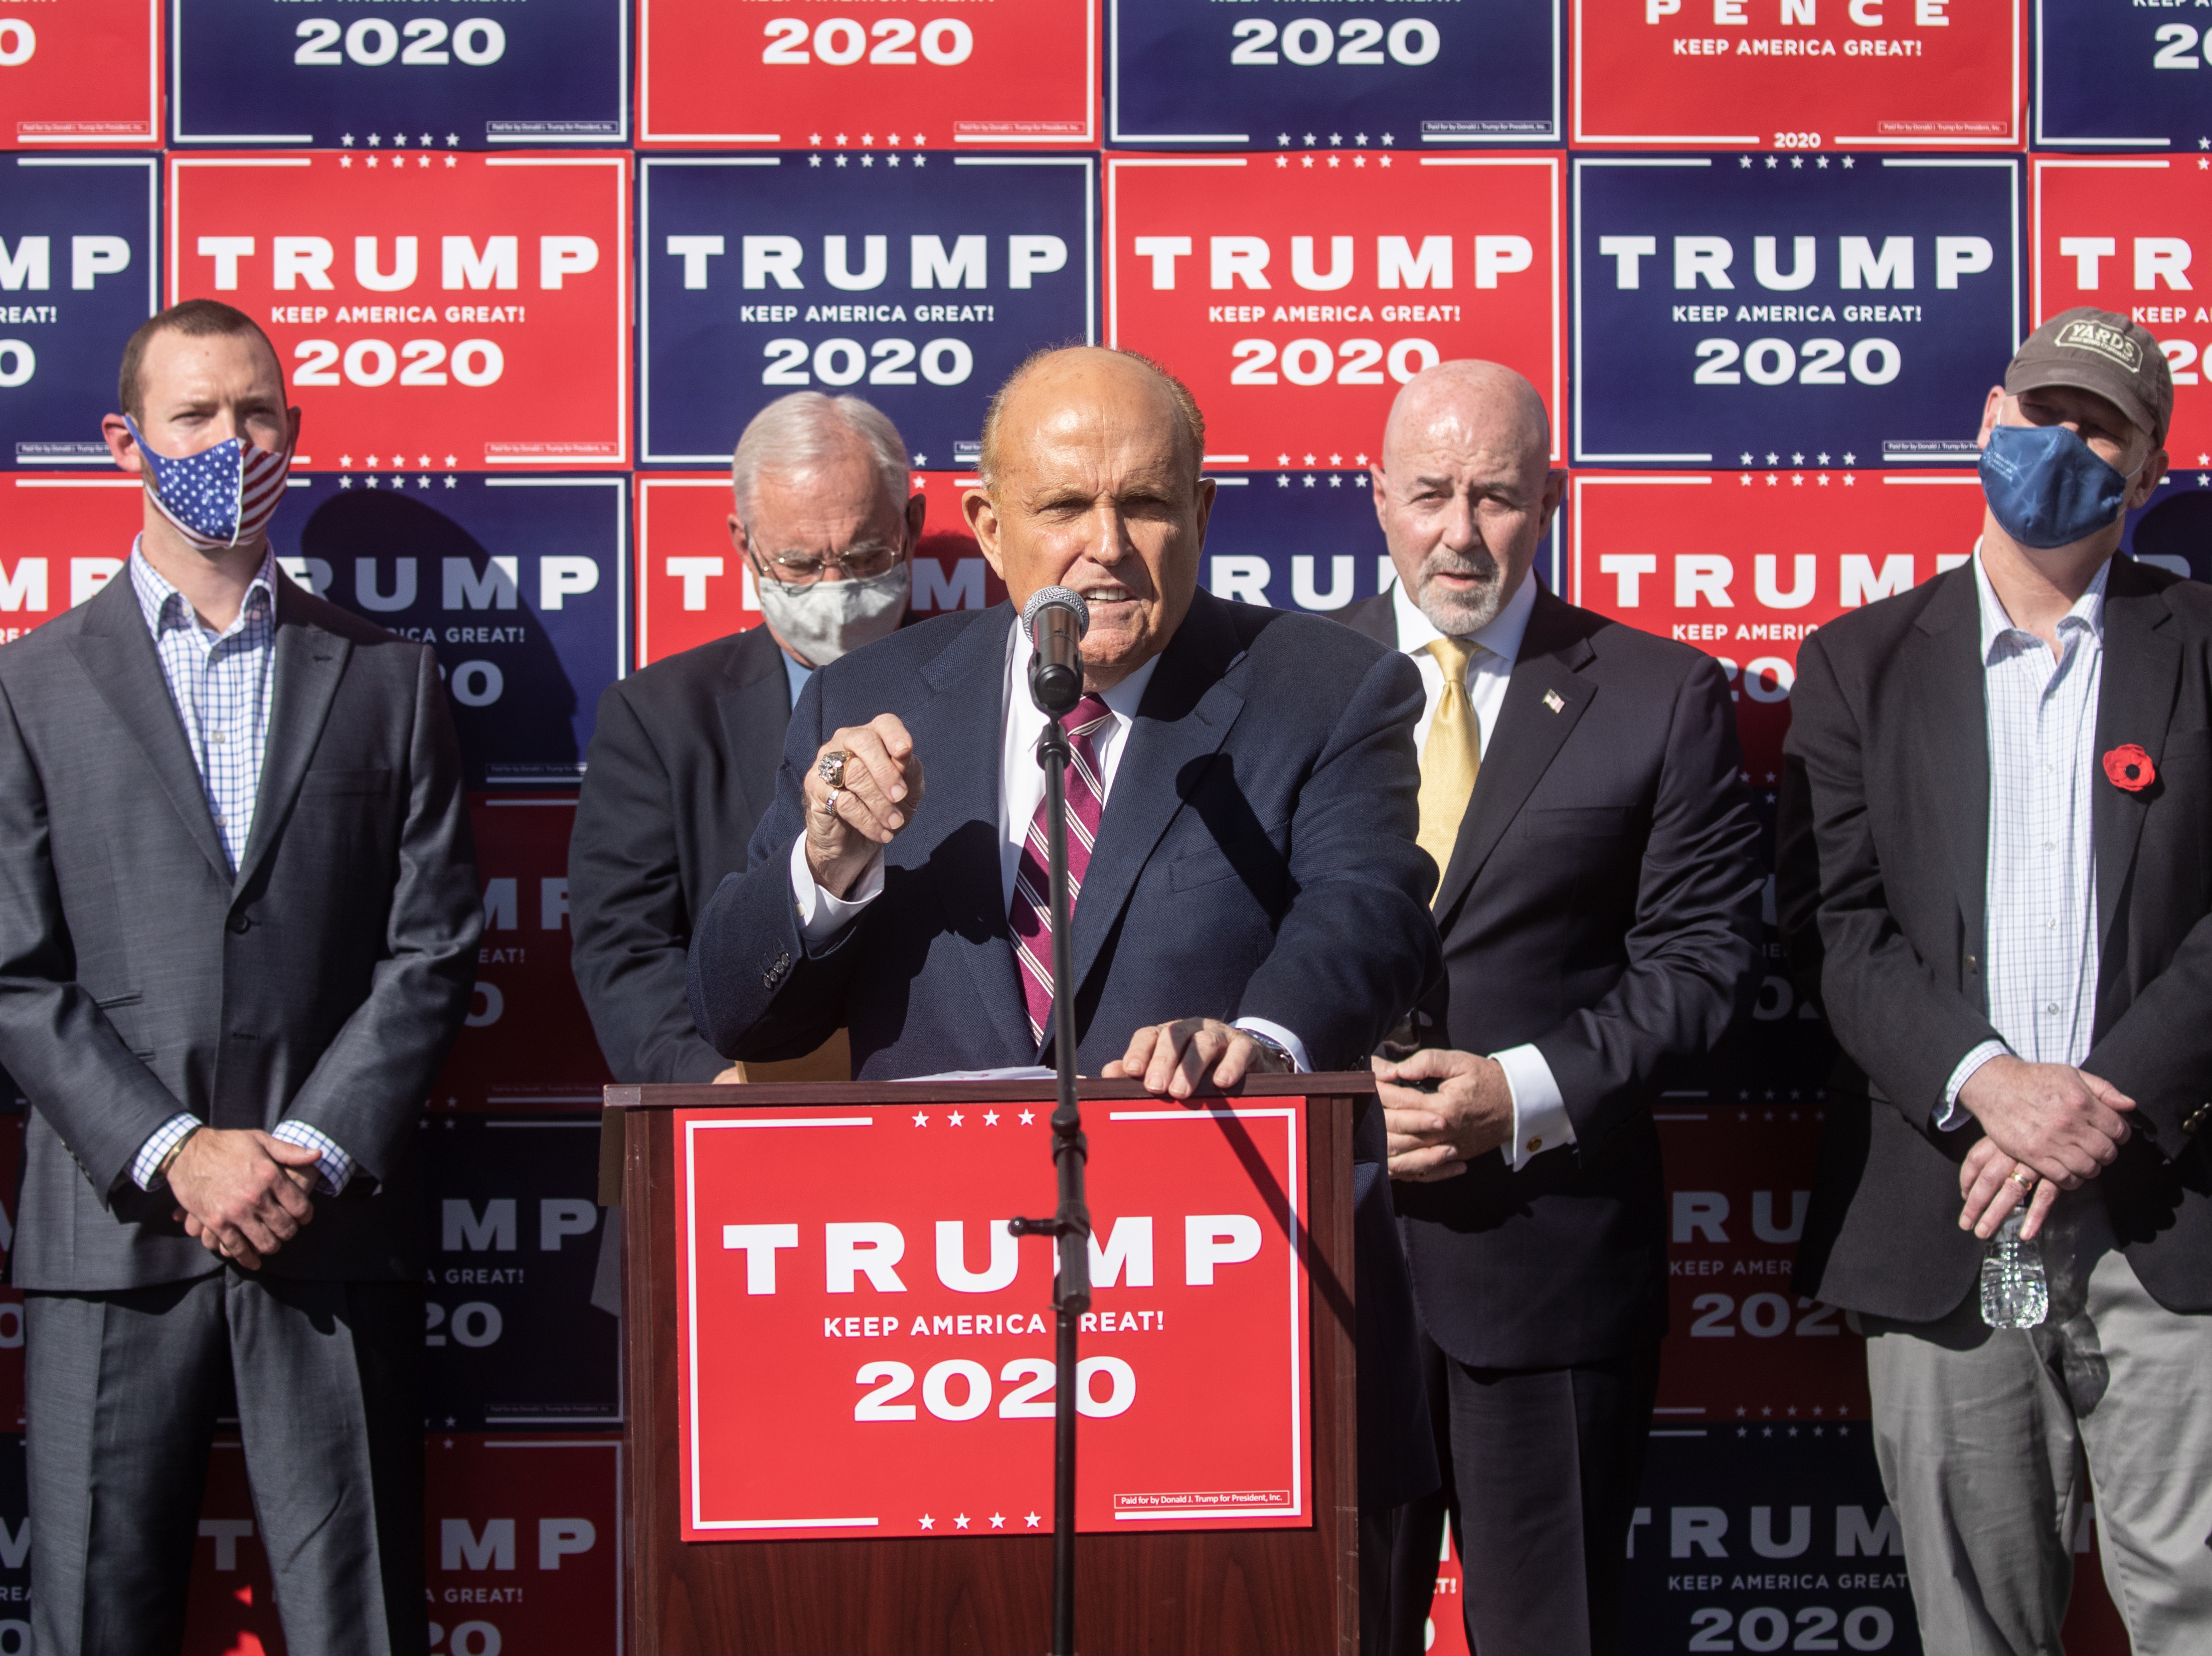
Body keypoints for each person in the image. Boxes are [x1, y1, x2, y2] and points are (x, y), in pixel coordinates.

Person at [685, 345, 1442, 1608]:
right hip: (936, 1374)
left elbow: (1366, 913)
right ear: (986, 526)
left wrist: (1261, 1040)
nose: (1106, 545)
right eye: (1062, 507)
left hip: (1239, 1375)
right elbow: (742, 1004)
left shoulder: (1328, 688)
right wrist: (825, 866)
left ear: (1201, 512)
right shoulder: (862, 700)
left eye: (1146, 502)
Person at [0, 298, 481, 1654]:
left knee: (360, 1623)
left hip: (323, 1229)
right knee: (95, 1618)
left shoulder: (391, 679)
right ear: (125, 443)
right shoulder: (27, 689)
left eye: (257, 414)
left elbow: (434, 941)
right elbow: (13, 973)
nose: (231, 440)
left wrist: (305, 1154)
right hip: (112, 1239)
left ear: (295, 432)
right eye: (195, 417)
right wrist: (175, 1152)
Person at [1779, 307, 2212, 1654]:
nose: (2060, 446)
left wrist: (2105, 1097)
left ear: (2146, 473)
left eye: (2100, 431)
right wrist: (1991, 1088)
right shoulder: (1856, 665)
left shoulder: (2202, 644)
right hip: (1941, 1221)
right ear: (1986, 422)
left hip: (2170, 1221)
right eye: (2041, 415)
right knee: (1971, 1632)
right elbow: (1833, 929)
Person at [1340, 360, 1763, 1656]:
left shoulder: (1656, 694)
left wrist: (1515, 1093)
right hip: (1327, 1267)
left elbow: (1701, 967)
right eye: (1428, 495)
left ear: (1553, 501)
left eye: (1496, 497)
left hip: (1552, 1264)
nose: (1459, 534)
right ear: (1374, 499)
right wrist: (1338, 1097)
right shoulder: (1284, 685)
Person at [570, 392, 922, 1084]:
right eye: (797, 562)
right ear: (744, 545)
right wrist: (709, 1087)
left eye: (863, 554)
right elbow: (625, 948)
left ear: (911, 524)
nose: (834, 588)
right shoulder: (658, 719)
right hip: (732, 1113)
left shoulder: (992, 685)